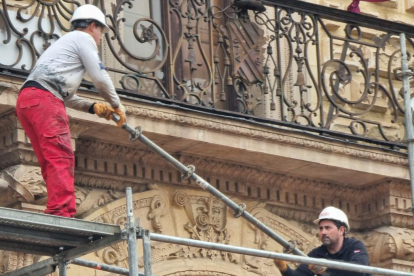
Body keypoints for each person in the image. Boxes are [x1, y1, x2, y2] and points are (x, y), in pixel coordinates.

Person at [15, 4, 126, 218]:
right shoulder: (83, 39)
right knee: (60, 155)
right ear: (92, 26)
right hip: (44, 99)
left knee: (49, 157)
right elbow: (100, 77)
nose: (100, 38)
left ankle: (56, 208)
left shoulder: (65, 43)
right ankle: (62, 211)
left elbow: (59, 92)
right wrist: (116, 105)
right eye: (101, 32)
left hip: (28, 100)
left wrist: (92, 107)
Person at [274, 206, 371, 276]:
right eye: (321, 228)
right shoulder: (317, 254)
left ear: (341, 230)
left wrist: (327, 265)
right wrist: (284, 269)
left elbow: (359, 269)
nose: (323, 232)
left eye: (328, 228)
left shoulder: (355, 246)